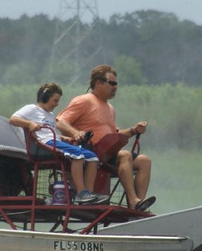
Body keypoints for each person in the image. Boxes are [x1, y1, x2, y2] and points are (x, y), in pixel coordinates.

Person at [57, 65, 154, 211]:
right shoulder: (84, 100)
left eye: (116, 84)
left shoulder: (110, 108)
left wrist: (134, 130)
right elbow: (60, 121)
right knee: (125, 155)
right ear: (98, 83)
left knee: (144, 161)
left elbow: (115, 134)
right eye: (112, 83)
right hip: (91, 152)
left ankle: (139, 204)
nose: (115, 87)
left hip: (108, 152)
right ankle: (133, 200)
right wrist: (76, 133)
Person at [10, 83, 109, 205]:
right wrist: (29, 124)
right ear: (45, 98)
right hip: (44, 145)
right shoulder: (31, 109)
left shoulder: (51, 115)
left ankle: (89, 193)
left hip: (54, 142)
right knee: (77, 154)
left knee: (92, 157)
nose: (57, 104)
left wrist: (63, 138)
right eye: (55, 100)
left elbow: (49, 132)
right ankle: (81, 193)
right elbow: (13, 119)